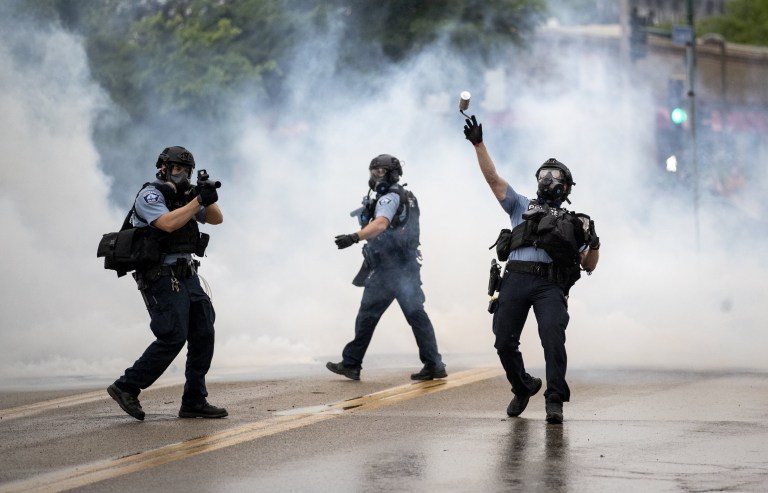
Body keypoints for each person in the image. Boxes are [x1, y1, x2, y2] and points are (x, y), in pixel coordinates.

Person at [463, 116, 600, 424]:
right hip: (515, 278)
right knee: (503, 341)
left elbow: (587, 265)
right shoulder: (520, 205)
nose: (547, 179)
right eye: (544, 174)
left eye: (554, 176)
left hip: (549, 285)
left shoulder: (573, 222)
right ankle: (523, 385)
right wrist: (478, 144)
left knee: (553, 339)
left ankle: (554, 400)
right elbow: (493, 180)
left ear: (565, 186)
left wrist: (595, 242)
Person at [107, 146, 228, 421]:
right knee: (173, 334)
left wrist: (205, 196)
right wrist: (196, 201)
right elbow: (167, 224)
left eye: (186, 170)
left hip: (186, 273)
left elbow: (217, 219)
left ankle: (194, 400)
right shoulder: (151, 194)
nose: (181, 174)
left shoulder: (186, 197)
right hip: (160, 274)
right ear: (163, 167)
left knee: (203, 331)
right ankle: (127, 386)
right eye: (176, 169)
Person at [326, 154, 447, 381]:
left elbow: (380, 224)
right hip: (405, 267)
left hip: (388, 269)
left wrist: (354, 237)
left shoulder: (388, 198)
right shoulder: (407, 196)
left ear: (391, 173)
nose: (375, 175)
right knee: (414, 315)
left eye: (380, 171)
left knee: (368, 316)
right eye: (374, 171)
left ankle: (352, 363)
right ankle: (433, 364)